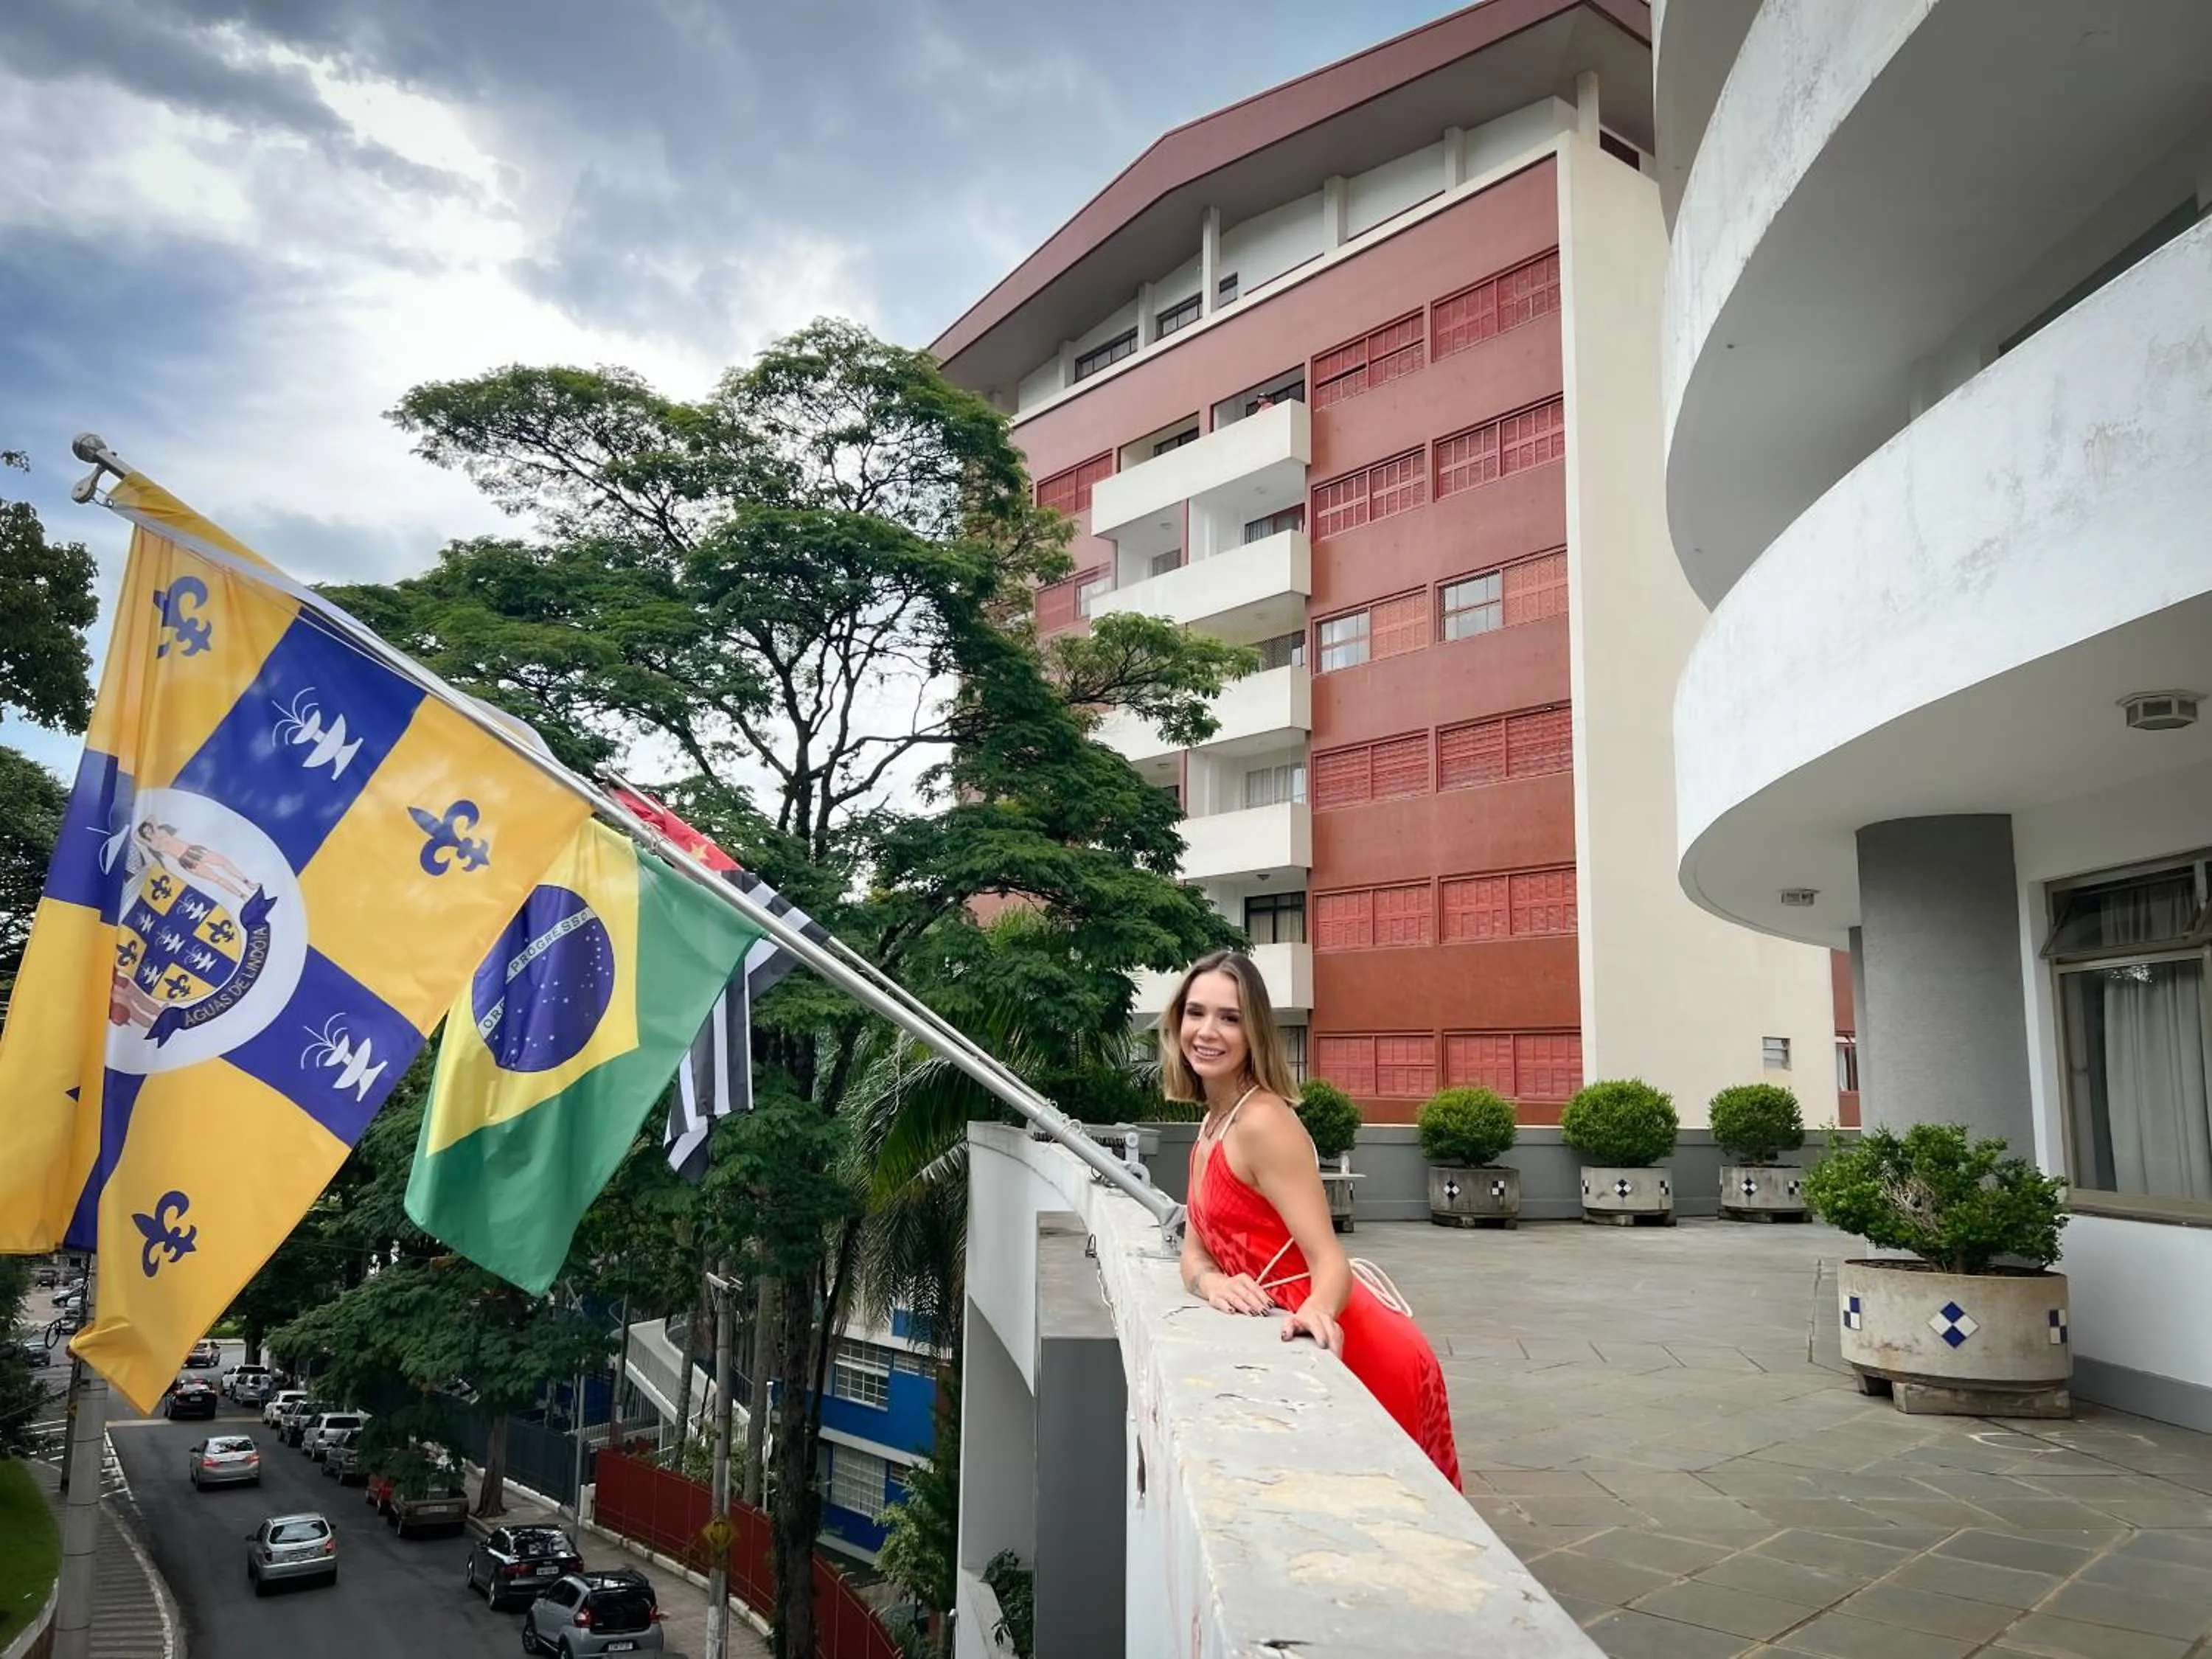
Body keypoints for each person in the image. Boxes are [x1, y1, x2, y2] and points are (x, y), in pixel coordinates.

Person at [1169, 949, 1461, 1488]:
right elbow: (1193, 1253)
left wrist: (1316, 1313)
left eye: (1229, 1018)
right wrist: (1213, 1283)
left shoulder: (1262, 1122)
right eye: (1196, 1012)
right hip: (1291, 1332)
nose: (1207, 1031)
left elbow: (1330, 1260)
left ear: (1254, 1030)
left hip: (1352, 1347)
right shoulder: (1212, 1125)